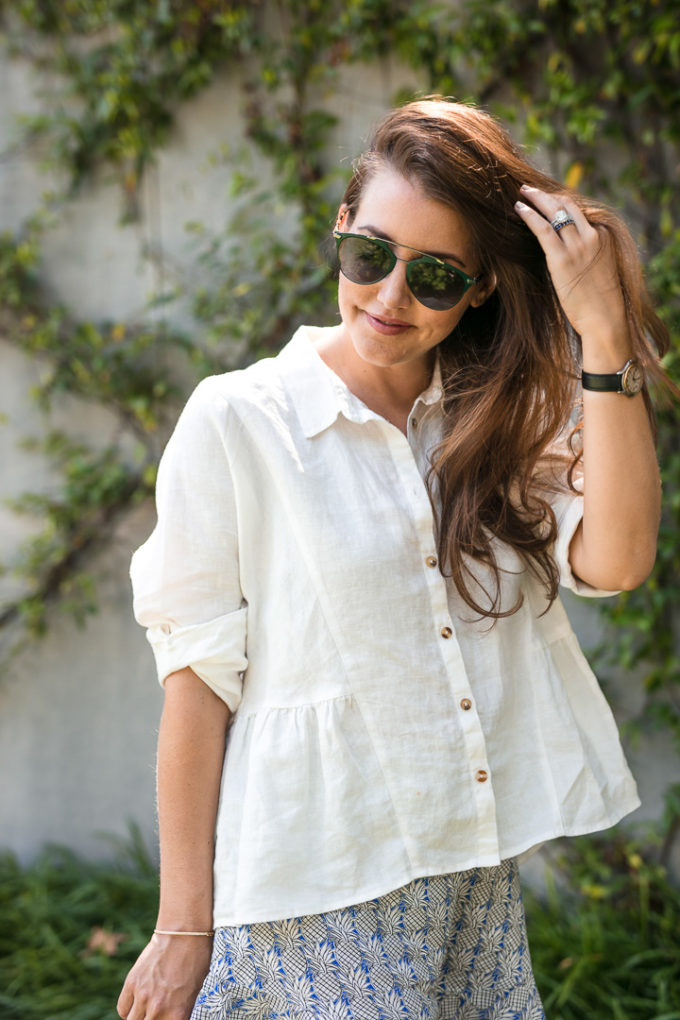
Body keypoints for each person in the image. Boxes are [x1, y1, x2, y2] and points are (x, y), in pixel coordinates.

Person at [117, 97, 669, 1020]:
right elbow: (198, 682)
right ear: (340, 229)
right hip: (316, 890)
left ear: (485, 285)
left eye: (437, 276)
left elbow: (616, 561)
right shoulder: (240, 420)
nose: (387, 299)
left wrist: (604, 341)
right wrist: (184, 927)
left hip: (472, 882)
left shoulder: (496, 422)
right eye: (369, 256)